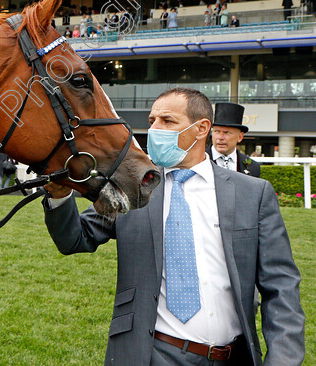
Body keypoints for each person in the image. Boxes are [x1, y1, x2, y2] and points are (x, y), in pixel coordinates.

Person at [42, 87, 304, 365]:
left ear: (202, 128)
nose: (155, 128)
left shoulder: (254, 193)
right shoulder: (134, 187)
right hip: (153, 355)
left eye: (167, 121)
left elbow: (281, 285)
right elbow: (75, 239)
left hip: (234, 356)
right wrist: (59, 194)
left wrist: (283, 359)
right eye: (152, 120)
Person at [207, 102, 261, 177]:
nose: (220, 137)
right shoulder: (197, 161)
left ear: (240, 137)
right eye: (217, 131)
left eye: (227, 133)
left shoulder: (253, 167)